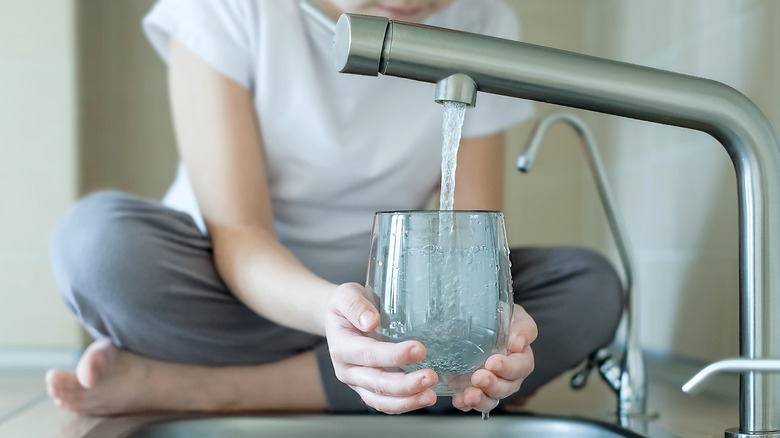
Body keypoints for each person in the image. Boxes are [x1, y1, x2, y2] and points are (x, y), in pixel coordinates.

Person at [45, 0, 622, 416]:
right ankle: (354, 376)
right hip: (228, 291)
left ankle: (192, 386)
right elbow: (238, 233)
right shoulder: (227, 8)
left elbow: (466, 247)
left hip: (396, 308)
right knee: (100, 251)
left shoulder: (482, 22)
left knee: (590, 287)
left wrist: (489, 324)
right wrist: (332, 313)